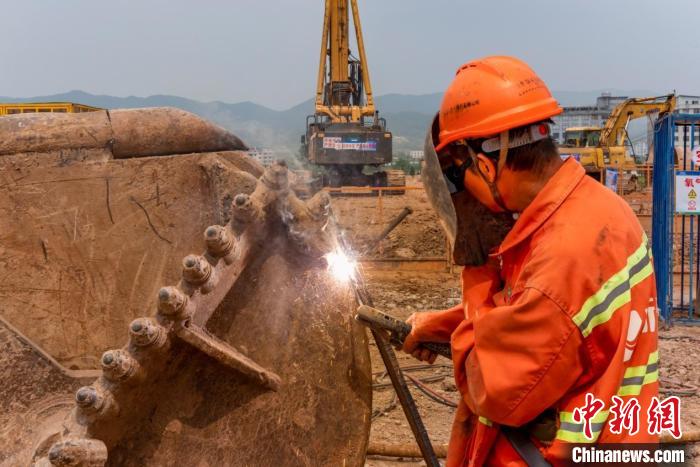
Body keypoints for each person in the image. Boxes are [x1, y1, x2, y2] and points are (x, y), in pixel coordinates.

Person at [406, 56, 659, 466]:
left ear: (486, 165)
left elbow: (494, 389)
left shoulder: (562, 257)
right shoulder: (602, 210)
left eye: (461, 178)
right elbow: (549, 321)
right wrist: (440, 325)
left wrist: (479, 276)